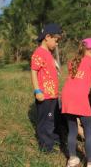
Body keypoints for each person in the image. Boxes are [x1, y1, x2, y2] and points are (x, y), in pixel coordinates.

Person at [62, 38, 91, 167]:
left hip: (66, 98)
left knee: (72, 131)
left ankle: (72, 159)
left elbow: (80, 81)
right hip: (80, 99)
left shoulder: (72, 61)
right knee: (88, 132)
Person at [31, 23, 62, 152]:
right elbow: (33, 72)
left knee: (53, 118)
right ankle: (45, 146)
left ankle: (53, 138)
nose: (57, 44)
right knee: (45, 122)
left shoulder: (48, 53)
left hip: (53, 94)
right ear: (47, 37)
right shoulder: (39, 53)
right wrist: (37, 90)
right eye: (56, 40)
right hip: (44, 95)